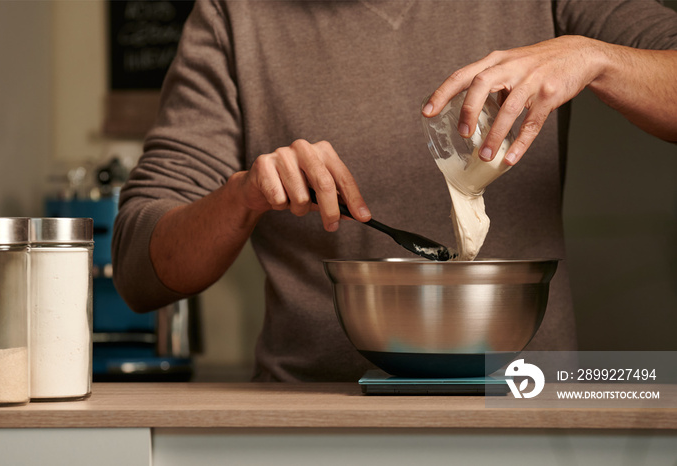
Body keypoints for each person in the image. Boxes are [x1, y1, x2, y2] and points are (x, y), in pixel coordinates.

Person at [112, 0, 677, 382]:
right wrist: (242, 197)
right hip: (311, 421)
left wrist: (597, 57)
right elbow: (139, 269)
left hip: (527, 405)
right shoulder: (234, 16)